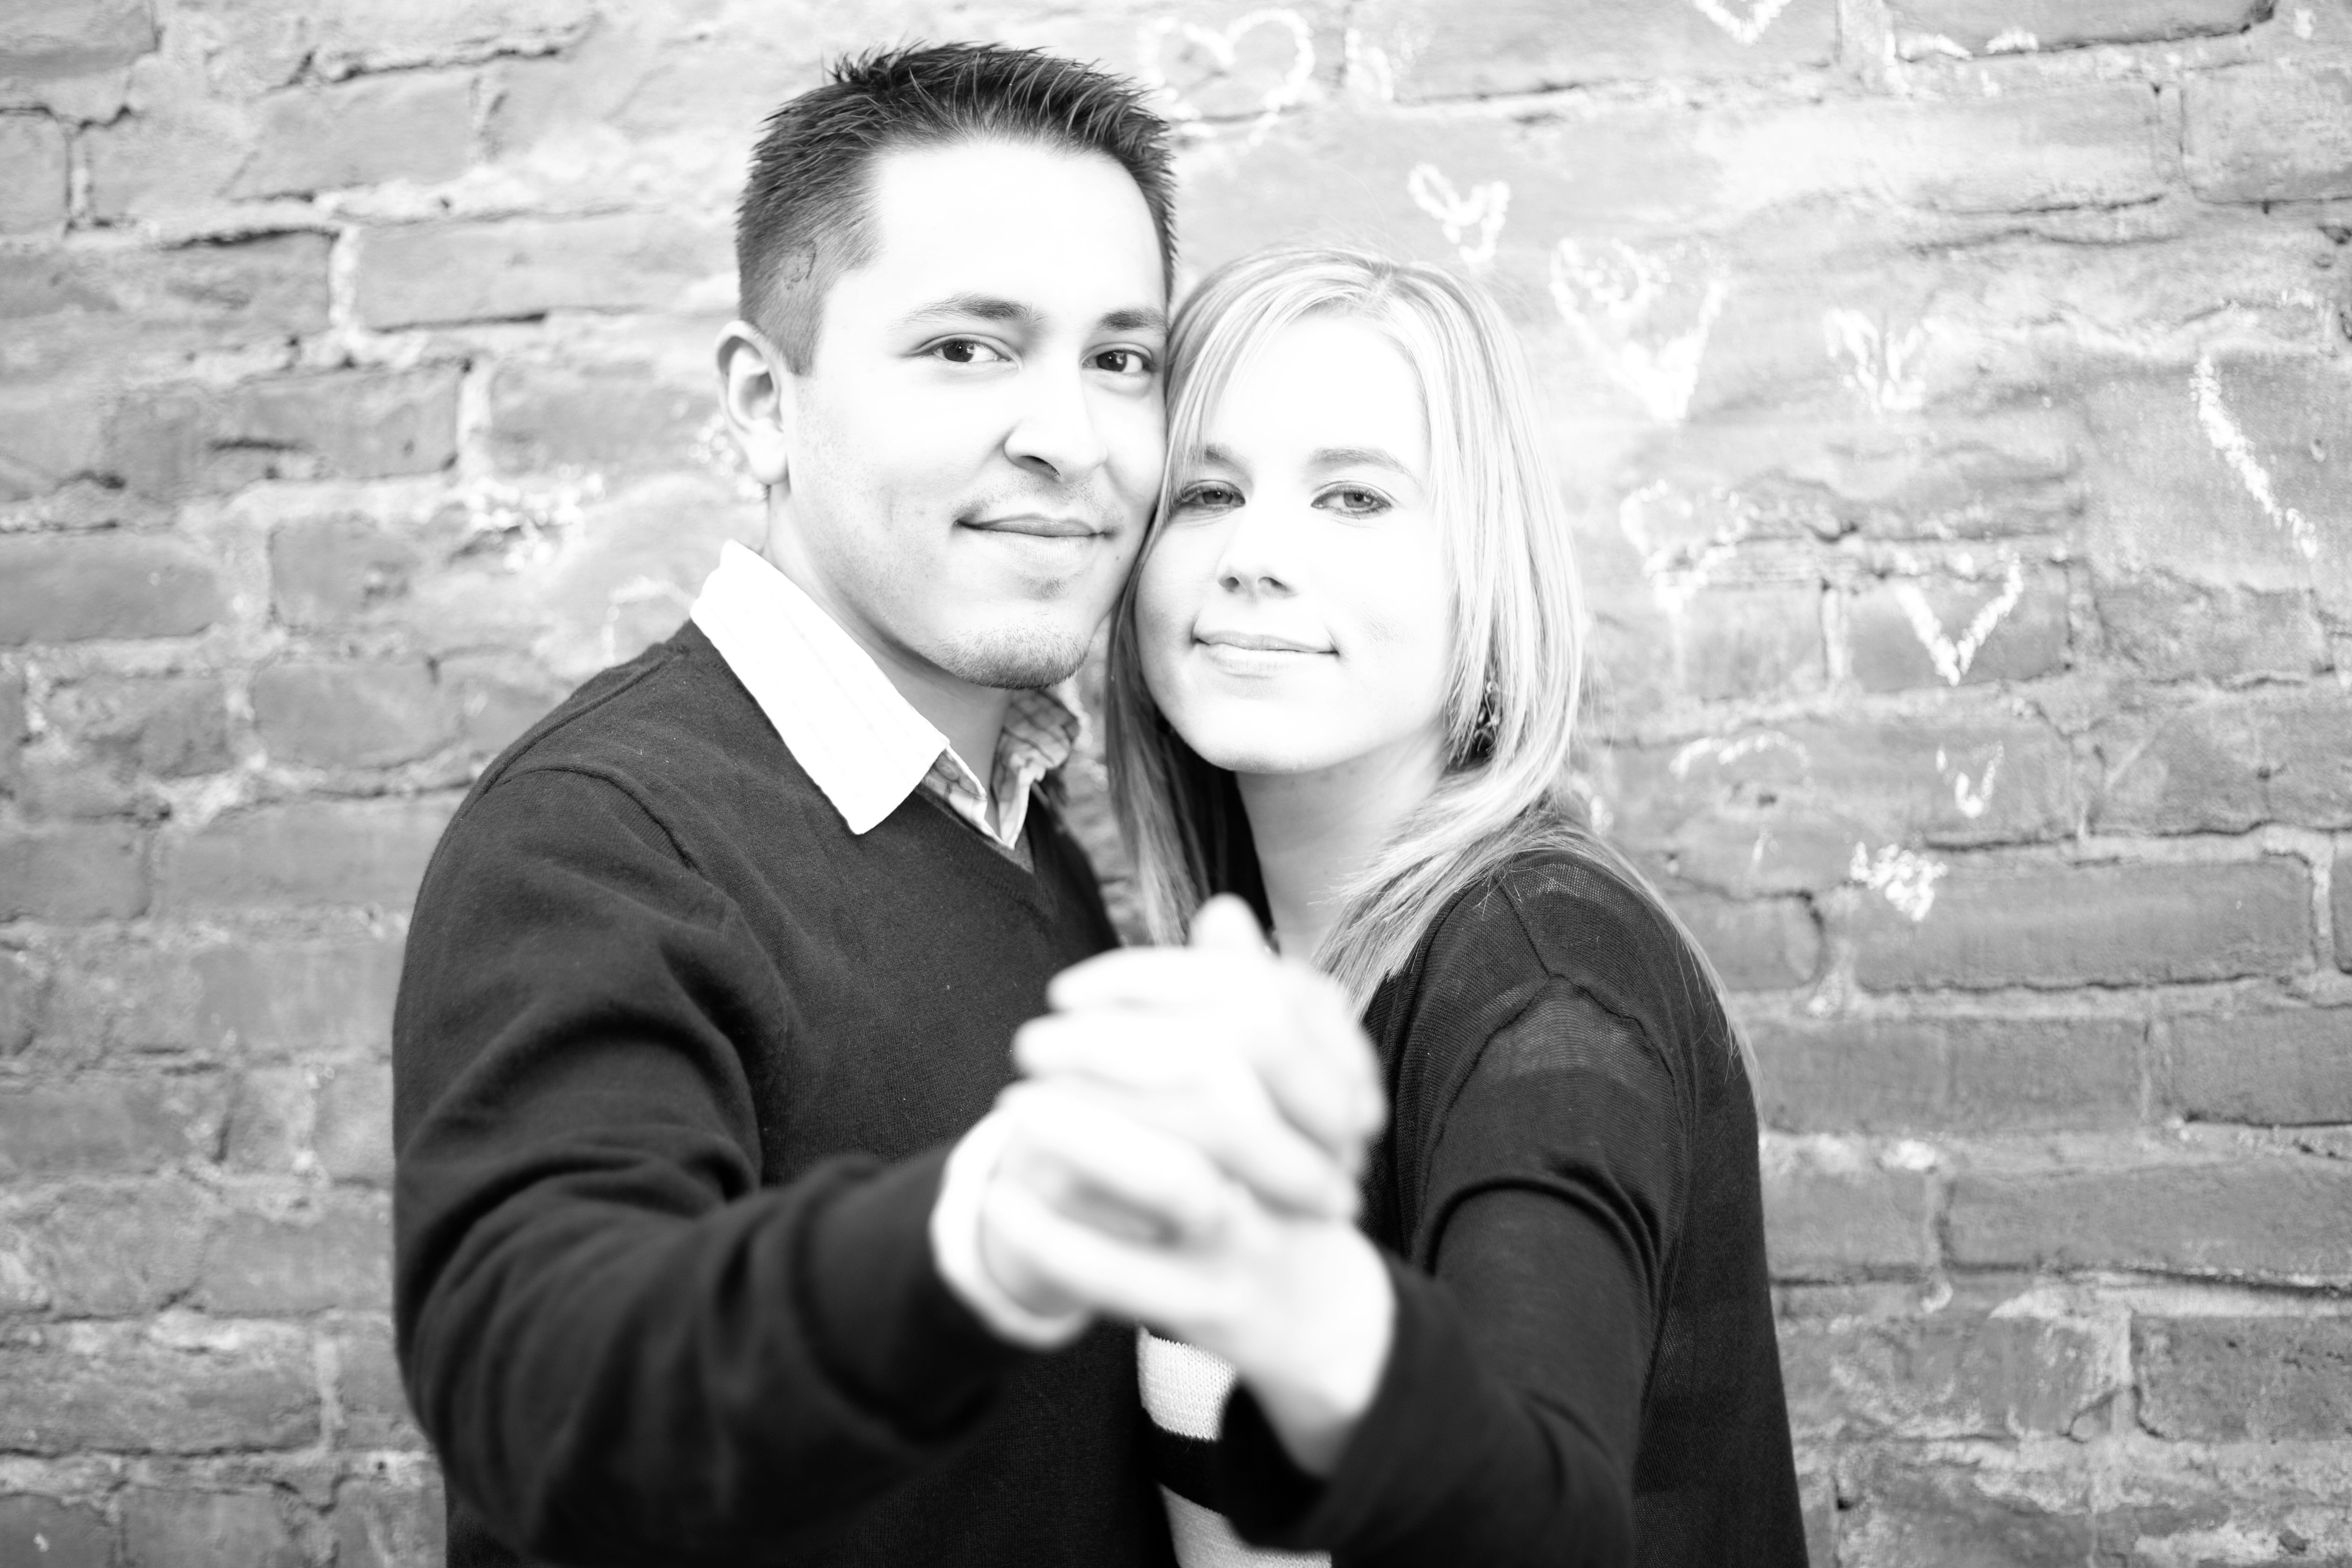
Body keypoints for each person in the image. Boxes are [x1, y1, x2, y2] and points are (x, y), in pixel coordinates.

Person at [390, 47, 1377, 1568]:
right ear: (760, 405)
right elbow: (543, 1395)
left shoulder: (1015, 814)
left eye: (1120, 359)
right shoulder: (600, 842)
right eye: (966, 348)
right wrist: (989, 1228)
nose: (1068, 435)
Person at [967, 248, 1810, 1566]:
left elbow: (1529, 1494)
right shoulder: (1253, 966)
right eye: (1208, 493)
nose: (1253, 557)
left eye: (1354, 497)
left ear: (1485, 575)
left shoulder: (1545, 982)